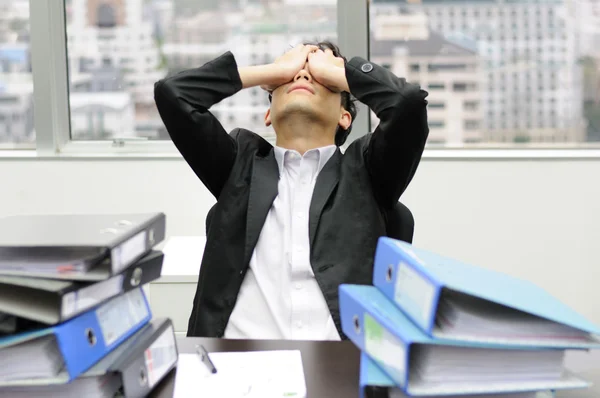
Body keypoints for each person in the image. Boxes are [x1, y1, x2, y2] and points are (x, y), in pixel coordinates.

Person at [154, 42, 429, 340]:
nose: (302, 77)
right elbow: (173, 93)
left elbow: (407, 104)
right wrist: (272, 71)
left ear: (344, 117)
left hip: (341, 366)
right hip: (235, 363)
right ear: (268, 114)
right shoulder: (239, 166)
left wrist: (340, 71)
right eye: (292, 76)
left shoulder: (368, 172)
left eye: (320, 78)